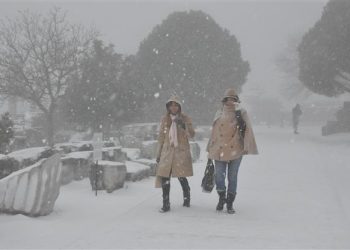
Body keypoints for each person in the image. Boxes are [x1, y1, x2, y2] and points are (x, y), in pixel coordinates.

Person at [207, 88, 258, 214]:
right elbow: (214, 132)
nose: (230, 101)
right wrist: (210, 148)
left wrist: (247, 146)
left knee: (232, 177)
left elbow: (248, 130)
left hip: (236, 149)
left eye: (233, 99)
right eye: (228, 99)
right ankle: (221, 198)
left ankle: (230, 203)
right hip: (219, 149)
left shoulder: (241, 112)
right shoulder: (219, 112)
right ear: (224, 100)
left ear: (236, 101)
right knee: (219, 176)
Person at [155, 95, 195, 213]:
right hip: (167, 152)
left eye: (175, 105)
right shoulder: (164, 119)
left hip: (180, 152)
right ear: (168, 107)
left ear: (179, 106)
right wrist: (158, 154)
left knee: (181, 177)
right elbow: (161, 137)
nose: (173, 107)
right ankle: (166, 204)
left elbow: (192, 134)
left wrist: (182, 124)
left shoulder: (185, 118)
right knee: (165, 177)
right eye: (171, 105)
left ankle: (186, 195)